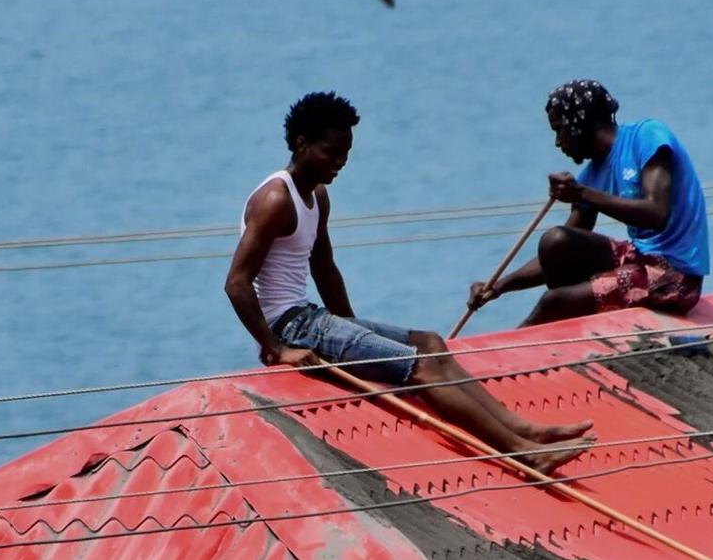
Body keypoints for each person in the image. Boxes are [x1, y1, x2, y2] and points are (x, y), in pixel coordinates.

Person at [225, 91, 594, 474]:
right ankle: (521, 452)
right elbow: (236, 283)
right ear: (302, 144)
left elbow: (325, 267)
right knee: (419, 367)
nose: (340, 163)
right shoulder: (274, 199)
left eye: (346, 155)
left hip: (313, 318)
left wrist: (350, 327)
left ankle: (523, 427)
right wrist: (276, 349)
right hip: (293, 328)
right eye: (332, 152)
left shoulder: (317, 196)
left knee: (431, 342)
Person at [468, 79, 710, 327]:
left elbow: (656, 213)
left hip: (675, 276)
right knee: (556, 242)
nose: (558, 142)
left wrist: (581, 193)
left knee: (553, 302)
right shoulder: (591, 176)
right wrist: (499, 286)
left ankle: (516, 356)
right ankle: (581, 314)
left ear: (578, 124)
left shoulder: (647, 136)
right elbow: (559, 250)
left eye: (559, 130)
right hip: (638, 259)